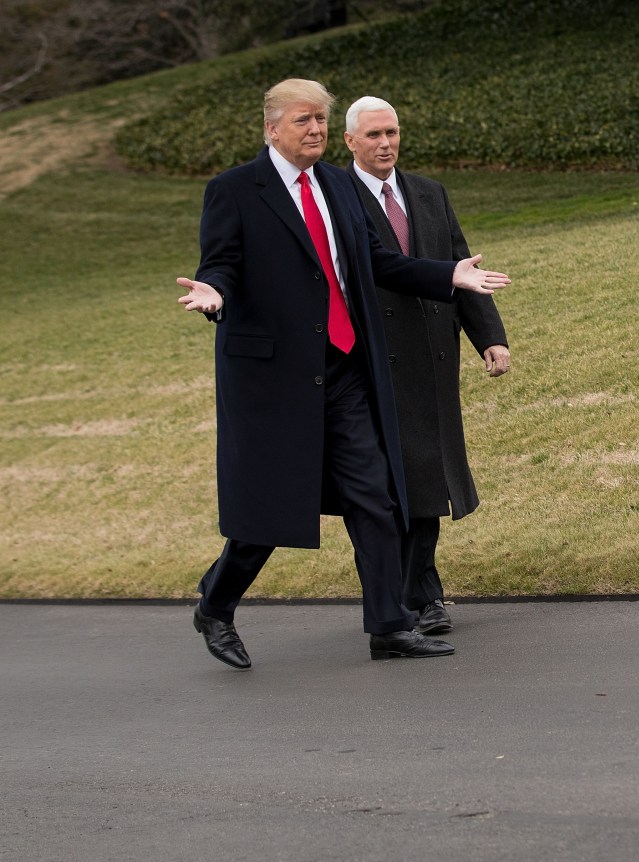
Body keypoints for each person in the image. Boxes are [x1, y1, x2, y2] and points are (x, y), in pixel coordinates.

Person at [174, 78, 512, 669]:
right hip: (276, 380)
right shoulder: (235, 189)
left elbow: (375, 260)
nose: (316, 130)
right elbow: (221, 263)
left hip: (344, 368)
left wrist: (447, 276)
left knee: (374, 497)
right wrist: (215, 295)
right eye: (302, 120)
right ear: (272, 129)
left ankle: (390, 627)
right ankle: (216, 605)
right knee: (269, 512)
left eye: (321, 120)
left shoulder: (335, 184)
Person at [342, 95, 510, 636]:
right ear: (350, 141)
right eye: (373, 135)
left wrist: (489, 337)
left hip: (431, 357)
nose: (385, 143)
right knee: (386, 489)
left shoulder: (429, 193)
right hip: (370, 363)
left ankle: (421, 595)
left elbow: (461, 264)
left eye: (391, 132)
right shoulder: (336, 197)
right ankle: (400, 598)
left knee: (429, 481)